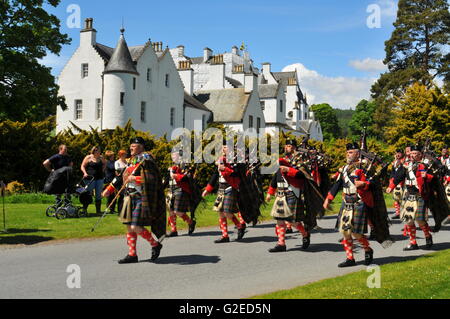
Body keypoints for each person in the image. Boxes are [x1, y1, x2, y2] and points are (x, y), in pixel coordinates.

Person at [103, 137, 166, 264]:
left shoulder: (147, 160)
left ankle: (155, 244)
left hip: (140, 197)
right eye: (130, 145)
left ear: (141, 147)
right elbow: (121, 177)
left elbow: (152, 180)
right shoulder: (131, 161)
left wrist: (135, 179)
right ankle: (132, 254)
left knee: (135, 226)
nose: (131, 147)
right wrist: (109, 189)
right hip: (128, 197)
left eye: (134, 145)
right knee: (129, 227)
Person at [323, 142, 375, 267]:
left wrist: (364, 184)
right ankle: (350, 258)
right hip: (346, 201)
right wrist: (328, 199)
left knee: (356, 233)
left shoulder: (364, 168)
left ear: (358, 153)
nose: (348, 154)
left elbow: (373, 183)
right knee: (345, 231)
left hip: (358, 202)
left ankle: (367, 249)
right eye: (347, 152)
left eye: (351, 152)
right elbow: (337, 185)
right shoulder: (345, 168)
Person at [265, 139, 316, 252]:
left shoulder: (300, 159)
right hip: (280, 194)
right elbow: (276, 177)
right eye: (286, 145)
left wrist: (288, 169)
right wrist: (270, 192)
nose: (287, 147)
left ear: (293, 147)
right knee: (279, 219)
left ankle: (305, 233)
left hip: (292, 192)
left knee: (292, 221)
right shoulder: (282, 160)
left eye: (289, 145)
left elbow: (302, 175)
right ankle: (281, 244)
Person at [386, 145, 434, 250]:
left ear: (420, 155)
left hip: (420, 195)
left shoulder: (424, 166)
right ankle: (413, 242)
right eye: (411, 153)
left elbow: (433, 179)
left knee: (420, 220)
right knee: (409, 220)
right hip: (409, 195)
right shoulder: (406, 165)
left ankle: (427, 236)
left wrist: (427, 176)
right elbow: (398, 176)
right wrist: (391, 187)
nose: (413, 155)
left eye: (415, 153)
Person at [202, 144, 247, 243]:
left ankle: (239, 226)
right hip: (221, 188)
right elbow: (215, 176)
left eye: (226, 147)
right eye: (223, 147)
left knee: (227, 212)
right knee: (220, 212)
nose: (223, 148)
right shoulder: (220, 160)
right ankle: (225, 235)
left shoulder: (236, 160)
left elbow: (236, 173)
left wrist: (223, 168)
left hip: (231, 187)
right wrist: (207, 189)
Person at [166, 149, 197, 237]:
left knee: (178, 211)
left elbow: (187, 177)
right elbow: (168, 179)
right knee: (171, 211)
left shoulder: (185, 165)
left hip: (181, 189)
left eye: (174, 154)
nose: (172, 156)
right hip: (171, 190)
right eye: (172, 155)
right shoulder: (172, 166)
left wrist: (176, 176)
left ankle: (190, 222)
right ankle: (173, 230)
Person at [80, 146, 106, 215]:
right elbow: (82, 166)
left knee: (98, 195)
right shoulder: (88, 157)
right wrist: (85, 173)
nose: (98, 152)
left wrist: (103, 170)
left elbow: (105, 163)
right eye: (97, 150)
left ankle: (98, 211)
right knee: (88, 194)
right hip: (90, 179)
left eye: (99, 150)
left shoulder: (101, 157)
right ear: (94, 151)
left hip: (99, 178)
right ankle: (84, 210)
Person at [390, 149, 406, 220]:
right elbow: (393, 173)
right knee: (396, 198)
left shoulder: (405, 161)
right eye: (397, 153)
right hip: (395, 182)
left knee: (403, 198)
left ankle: (404, 212)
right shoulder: (394, 162)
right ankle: (397, 212)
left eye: (399, 153)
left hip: (403, 182)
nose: (398, 155)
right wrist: (391, 181)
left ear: (402, 154)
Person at [114, 150, 128, 214]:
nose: (125, 155)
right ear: (120, 155)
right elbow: (118, 171)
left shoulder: (127, 162)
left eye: (125, 154)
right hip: (120, 181)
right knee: (121, 195)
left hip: (126, 180)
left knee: (126, 195)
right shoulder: (117, 162)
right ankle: (120, 210)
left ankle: (125, 210)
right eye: (124, 154)